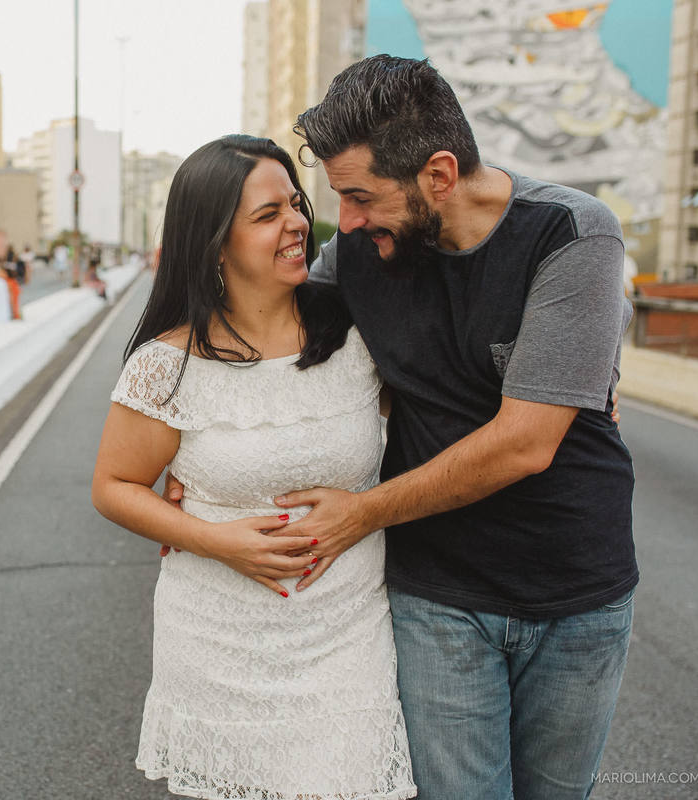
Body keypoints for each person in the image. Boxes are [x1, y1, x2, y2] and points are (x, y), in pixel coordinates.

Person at [268, 55, 635, 800]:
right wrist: (188, 445)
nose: (348, 221)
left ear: (438, 174)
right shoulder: (363, 254)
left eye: (362, 197)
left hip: (579, 595)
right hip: (438, 594)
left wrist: (358, 515)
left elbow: (526, 443)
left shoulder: (572, 233)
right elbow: (260, 331)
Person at [92, 135, 416, 800]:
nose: (297, 222)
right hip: (218, 645)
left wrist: (584, 390)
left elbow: (445, 400)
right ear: (214, 241)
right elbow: (114, 487)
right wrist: (217, 540)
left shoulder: (355, 338)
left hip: (349, 638)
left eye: (295, 204)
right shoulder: (168, 364)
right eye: (268, 215)